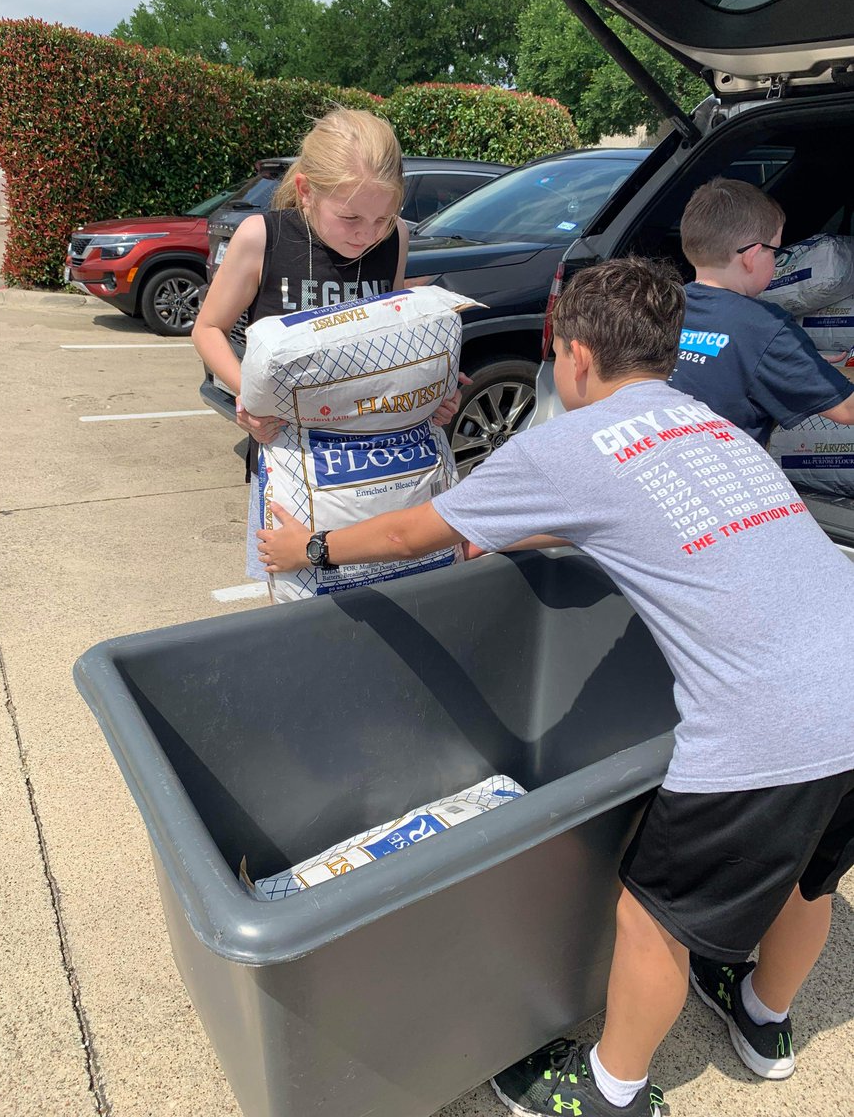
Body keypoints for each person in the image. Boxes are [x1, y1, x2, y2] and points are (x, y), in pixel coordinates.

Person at [256, 255, 854, 1117]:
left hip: (770, 723)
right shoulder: (705, 423)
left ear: (574, 356)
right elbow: (619, 516)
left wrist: (305, 549)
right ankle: (765, 1020)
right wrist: (506, 530)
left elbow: (403, 533)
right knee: (808, 881)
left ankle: (612, 1093)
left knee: (654, 915)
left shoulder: (572, 442)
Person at [191, 106, 464, 590]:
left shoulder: (393, 238)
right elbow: (208, 328)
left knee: (379, 583)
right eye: (350, 217)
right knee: (296, 599)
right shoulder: (263, 237)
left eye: (383, 217)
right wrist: (247, 398)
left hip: (380, 462)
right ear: (306, 192)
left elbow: (389, 333)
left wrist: (431, 387)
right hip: (294, 461)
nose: (367, 234)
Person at [670, 176, 854, 446]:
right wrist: (785, 353)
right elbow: (847, 410)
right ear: (752, 256)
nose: (776, 259)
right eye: (775, 251)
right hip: (726, 477)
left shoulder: (662, 308)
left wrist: (800, 364)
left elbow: (722, 362)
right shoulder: (765, 327)